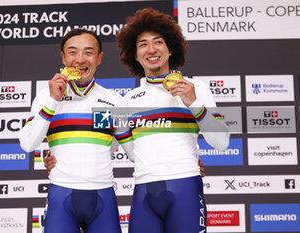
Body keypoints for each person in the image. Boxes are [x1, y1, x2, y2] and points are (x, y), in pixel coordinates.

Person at [115, 8, 230, 233]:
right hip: (143, 191)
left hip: (185, 185)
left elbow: (222, 142)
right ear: (135, 55)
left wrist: (194, 103)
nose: (151, 49)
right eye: (143, 44)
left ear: (170, 49)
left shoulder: (196, 88)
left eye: (158, 42)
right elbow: (123, 150)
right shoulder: (126, 100)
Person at [19, 28, 133, 233]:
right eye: (73, 52)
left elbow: (122, 149)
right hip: (61, 195)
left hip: (102, 196)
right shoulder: (46, 96)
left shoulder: (114, 100)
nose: (80, 60)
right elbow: (27, 144)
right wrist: (54, 100)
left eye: (88, 52)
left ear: (99, 58)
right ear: (63, 57)